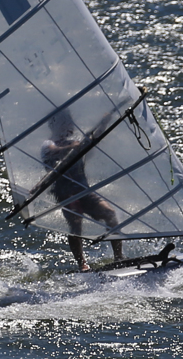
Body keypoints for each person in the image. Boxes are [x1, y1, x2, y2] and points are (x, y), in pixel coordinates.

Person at [39, 112, 124, 271]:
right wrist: (74, 146)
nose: (70, 127)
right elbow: (54, 150)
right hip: (65, 193)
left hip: (84, 191)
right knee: (76, 224)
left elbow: (94, 140)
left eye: (71, 123)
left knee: (110, 214)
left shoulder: (76, 144)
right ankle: (82, 264)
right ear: (56, 126)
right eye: (66, 124)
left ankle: (118, 257)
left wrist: (105, 122)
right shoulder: (48, 144)